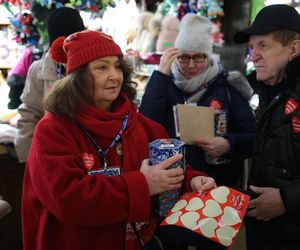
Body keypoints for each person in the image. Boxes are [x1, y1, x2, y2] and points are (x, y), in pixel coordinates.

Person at [21, 30, 217, 250]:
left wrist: (192, 179)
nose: (114, 75)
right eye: (102, 67)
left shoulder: (136, 123)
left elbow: (168, 166)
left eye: (117, 66)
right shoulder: (53, 130)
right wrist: (143, 185)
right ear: (78, 77)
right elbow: (68, 199)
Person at [139, 13, 256, 188]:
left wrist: (228, 144)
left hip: (216, 184)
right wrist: (161, 74)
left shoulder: (227, 87)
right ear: (176, 56)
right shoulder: (165, 84)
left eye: (198, 57)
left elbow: (254, 136)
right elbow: (145, 125)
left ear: (208, 56)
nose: (191, 65)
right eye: (184, 57)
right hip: (171, 183)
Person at [233, 4, 300, 250]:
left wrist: (286, 199)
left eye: (263, 45)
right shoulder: (270, 91)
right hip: (264, 234)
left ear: (294, 49)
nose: (253, 57)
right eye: (251, 48)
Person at [14, 7, 85, 163]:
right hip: (51, 155)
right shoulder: (39, 69)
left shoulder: (92, 66)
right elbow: (29, 113)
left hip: (88, 154)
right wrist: (30, 159)